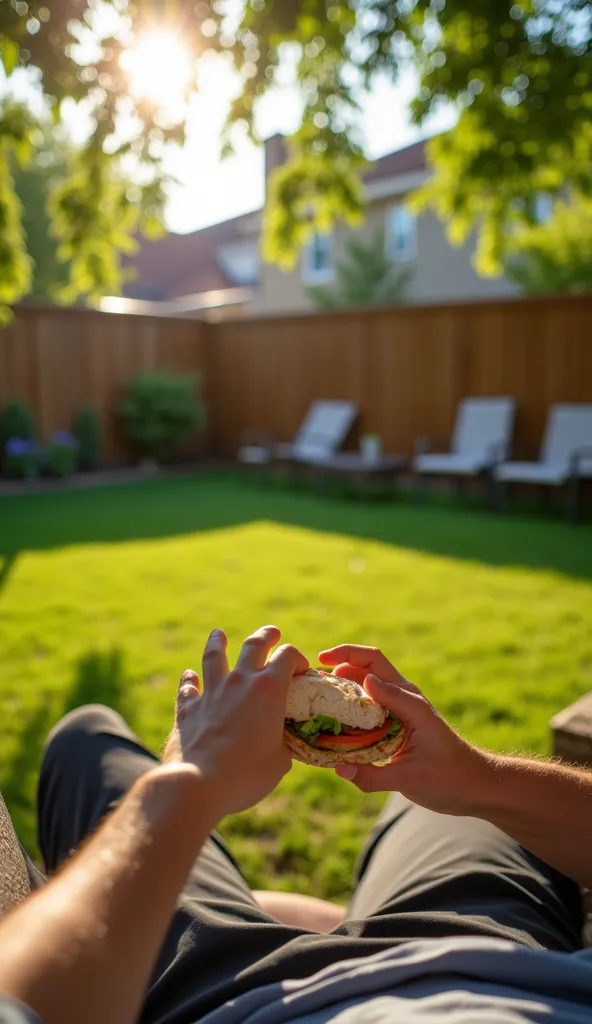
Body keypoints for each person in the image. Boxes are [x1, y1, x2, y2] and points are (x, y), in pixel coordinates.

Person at [0, 624, 591, 1024]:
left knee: (86, 744)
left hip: (237, 1002)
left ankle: (309, 918)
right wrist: (481, 780)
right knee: (422, 798)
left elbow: (24, 1002)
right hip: (503, 967)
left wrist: (188, 782)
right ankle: (330, 921)